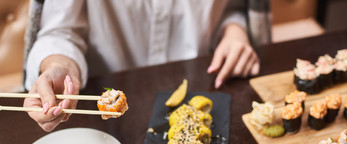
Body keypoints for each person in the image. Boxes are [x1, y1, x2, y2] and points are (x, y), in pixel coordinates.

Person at [24, 0, 260, 132]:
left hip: (202, 91)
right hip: (106, 125)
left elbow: (234, 7)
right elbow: (61, 32)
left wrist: (234, 30)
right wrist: (58, 66)